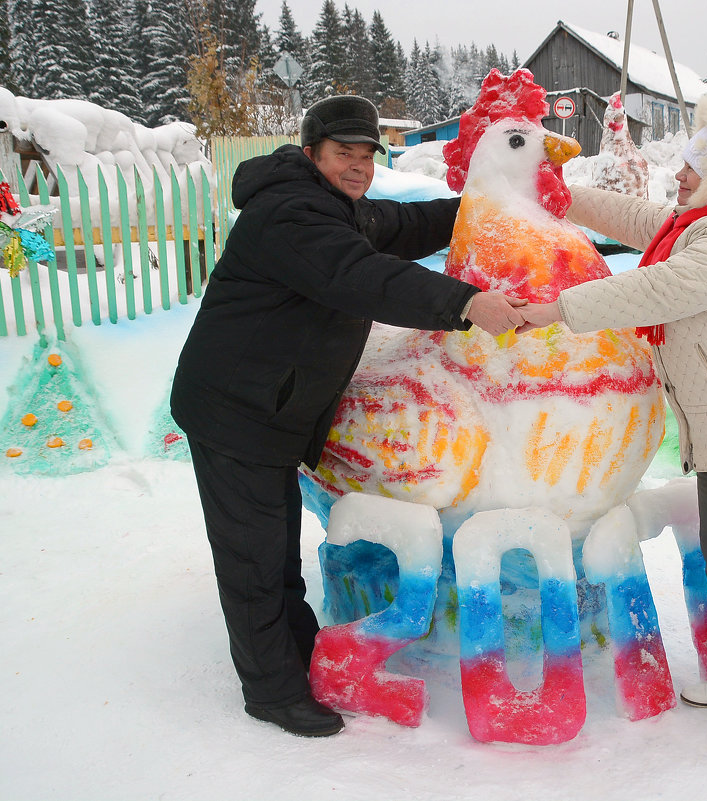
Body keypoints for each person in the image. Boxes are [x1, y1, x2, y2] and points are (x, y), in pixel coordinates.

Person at [170, 95, 526, 737]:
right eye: (344, 154)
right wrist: (467, 303)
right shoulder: (290, 216)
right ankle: (272, 692)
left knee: (273, 549)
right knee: (254, 559)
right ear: (312, 155)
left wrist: (488, 209)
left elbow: (401, 226)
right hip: (237, 412)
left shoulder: (334, 208)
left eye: (367, 155)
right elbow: (362, 274)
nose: (358, 166)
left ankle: (293, 657)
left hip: (269, 408)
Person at [518, 94, 707, 762]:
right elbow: (636, 216)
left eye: (695, 163)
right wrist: (561, 196)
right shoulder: (698, 221)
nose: (679, 174)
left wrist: (551, 309)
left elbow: (655, 289)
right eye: (684, 160)